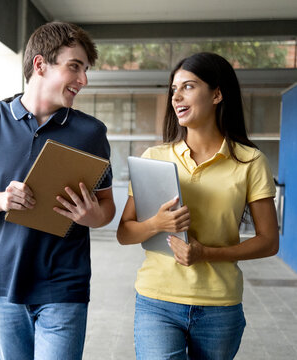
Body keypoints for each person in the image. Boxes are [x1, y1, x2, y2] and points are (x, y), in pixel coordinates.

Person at [0, 21, 116, 360]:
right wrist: (0, 199)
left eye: (84, 70)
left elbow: (107, 207)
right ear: (40, 65)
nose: (83, 80)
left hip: (64, 283)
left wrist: (91, 214)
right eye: (75, 67)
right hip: (5, 282)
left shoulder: (91, 132)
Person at [117, 52, 279, 359]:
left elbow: (269, 242)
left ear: (217, 94)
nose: (176, 96)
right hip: (157, 300)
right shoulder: (154, 157)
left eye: (188, 86)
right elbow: (125, 233)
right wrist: (157, 224)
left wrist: (206, 254)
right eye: (173, 89)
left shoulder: (250, 161)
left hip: (220, 305)